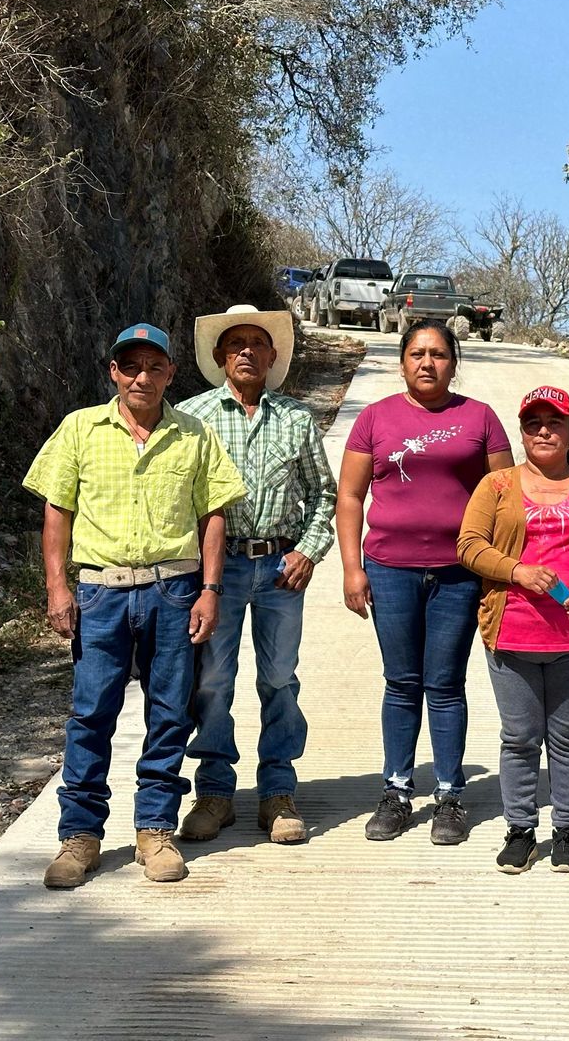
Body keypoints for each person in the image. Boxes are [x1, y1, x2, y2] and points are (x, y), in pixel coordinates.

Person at [24, 323, 247, 888]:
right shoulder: (80, 429)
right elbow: (57, 510)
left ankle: (156, 829)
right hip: (101, 591)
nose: (142, 376)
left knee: (170, 713)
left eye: (154, 366)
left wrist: (211, 590)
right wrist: (57, 586)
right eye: (131, 366)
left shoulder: (194, 435)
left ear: (171, 373)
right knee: (91, 714)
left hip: (174, 589)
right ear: (114, 373)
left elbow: (213, 516)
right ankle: (79, 837)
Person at [338, 319, 513, 845]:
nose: (427, 363)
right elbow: (350, 497)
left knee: (445, 684)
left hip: (459, 573)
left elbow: (506, 498)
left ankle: (449, 795)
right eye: (417, 353)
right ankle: (395, 791)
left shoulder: (479, 418)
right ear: (402, 361)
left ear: (453, 362)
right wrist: (352, 568)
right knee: (401, 682)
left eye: (438, 354)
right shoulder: (375, 418)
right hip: (389, 570)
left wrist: (498, 569)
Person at [177, 304, 337, 846]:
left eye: (257, 343)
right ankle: (216, 793)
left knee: (278, 679)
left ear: (272, 356)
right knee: (213, 680)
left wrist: (309, 552)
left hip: (279, 570)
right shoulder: (191, 418)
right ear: (221, 355)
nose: (246, 350)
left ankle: (277, 792)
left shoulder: (296, 419)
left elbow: (323, 495)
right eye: (235, 342)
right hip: (216, 571)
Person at [456, 386, 569, 873]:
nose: (543, 430)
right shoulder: (496, 486)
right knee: (518, 738)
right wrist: (517, 571)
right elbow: (469, 545)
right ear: (522, 431)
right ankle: (520, 829)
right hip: (511, 634)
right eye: (533, 422)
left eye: (554, 422)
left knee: (568, 737)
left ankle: (568, 830)